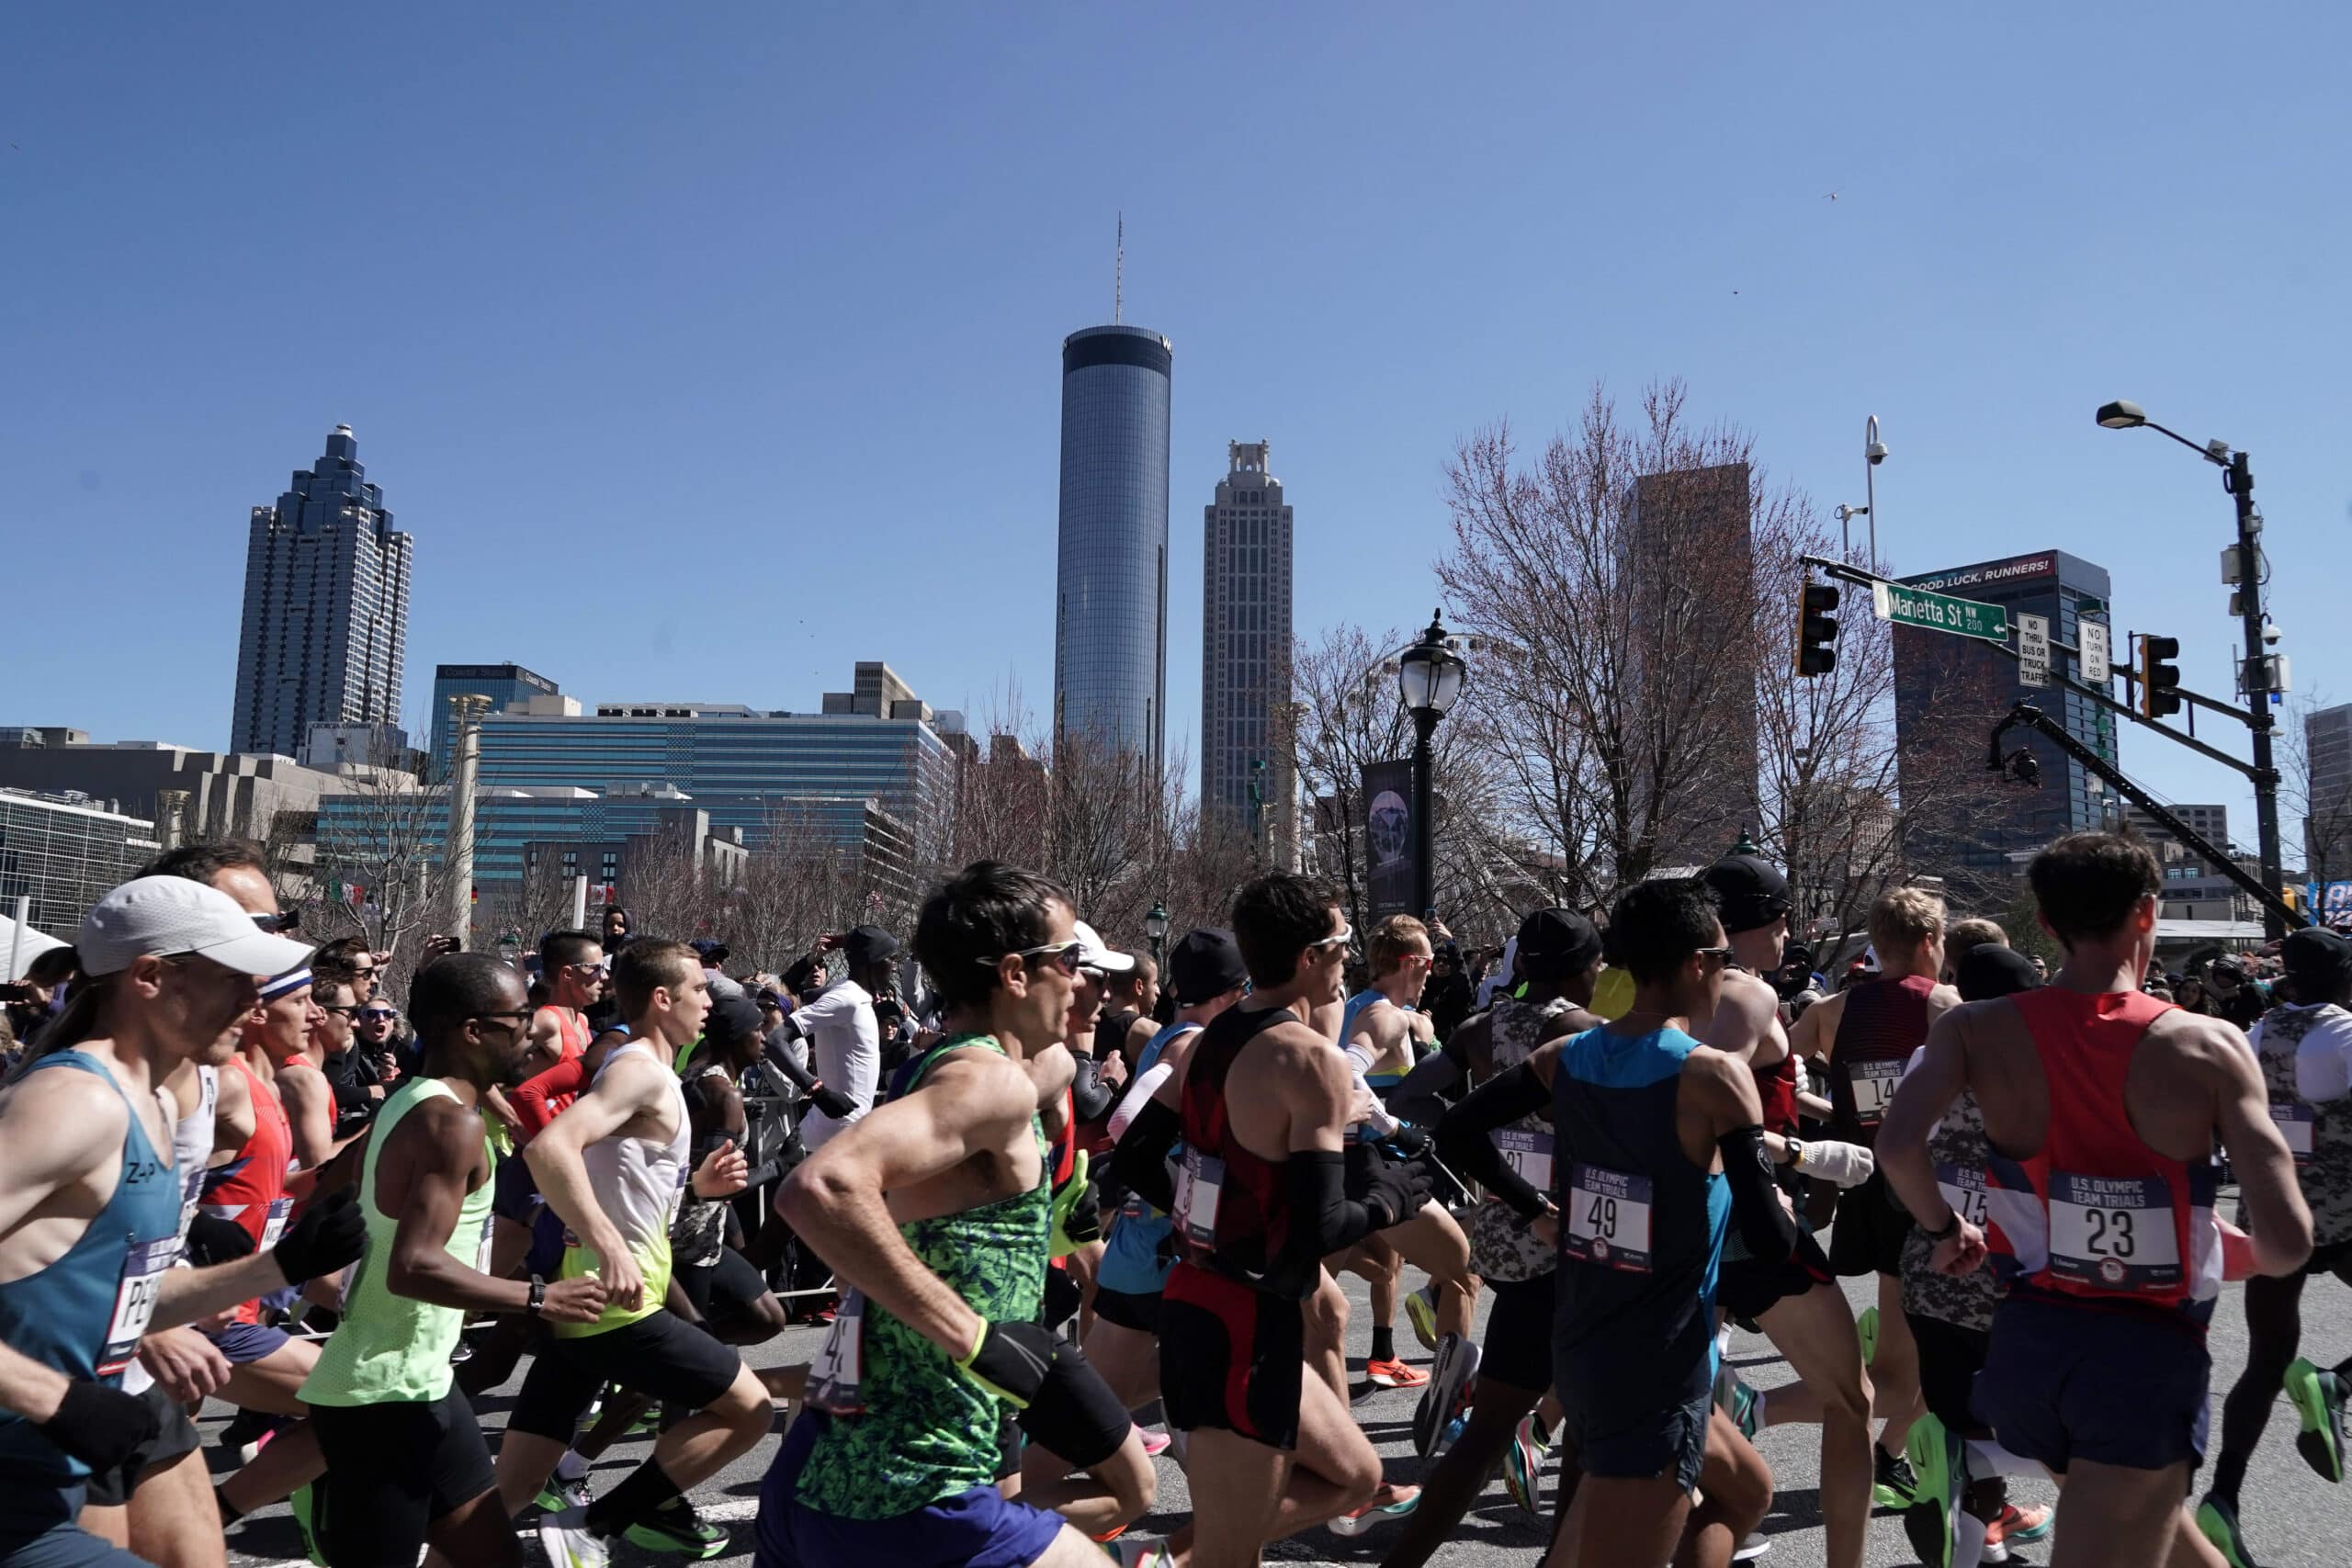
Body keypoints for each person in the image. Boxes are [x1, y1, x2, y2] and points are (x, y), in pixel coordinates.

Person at [1879, 830, 2313, 1568]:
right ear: (2148, 913)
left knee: (2158, 1533)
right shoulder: (2206, 1044)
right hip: (2143, 1354)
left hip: (2026, 1348)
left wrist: (1944, 1226)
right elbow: (2288, 1241)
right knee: (2130, 1524)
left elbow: (1895, 1146)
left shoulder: (1974, 1028)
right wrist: (2208, 1248)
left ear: (2045, 923)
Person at [757, 861, 1148, 1568]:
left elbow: (1037, 1075)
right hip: (906, 1487)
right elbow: (819, 1187)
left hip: (831, 1464)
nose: (1086, 978)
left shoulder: (946, 1065)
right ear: (1015, 974)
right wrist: (973, 1336)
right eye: (1069, 959)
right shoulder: (987, 1081)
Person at [0, 875, 360, 1568]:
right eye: (233, 978)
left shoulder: (156, 1107)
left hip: (59, 1471)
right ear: (150, 977)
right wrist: (55, 1398)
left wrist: (279, 1265)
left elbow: (118, 1292)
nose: (254, 1001)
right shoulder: (76, 1102)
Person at [1438, 876, 1791, 1568]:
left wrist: (1535, 1206)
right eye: (1724, 960)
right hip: (1655, 1362)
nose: (1728, 975)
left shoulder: (1570, 1056)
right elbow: (1771, 1243)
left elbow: (1457, 1130)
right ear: (1695, 963)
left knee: (1747, 1492)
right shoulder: (1714, 1075)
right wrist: (1779, 1181)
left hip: (1589, 1341)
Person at [1117, 873, 1425, 1567]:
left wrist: (1213, 1218)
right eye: (1342, 944)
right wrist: (1396, 1195)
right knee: (1231, 1555)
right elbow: (1319, 1225)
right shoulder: (1308, 1059)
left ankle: (1173, 1554)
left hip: (1210, 1301)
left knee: (1357, 1476)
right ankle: (1174, 1556)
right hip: (1241, 1323)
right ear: (1310, 955)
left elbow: (1136, 1153)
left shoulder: (1202, 1038)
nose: (1349, 957)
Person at [299, 953, 607, 1568]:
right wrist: (539, 1296)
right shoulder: (450, 1123)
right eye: (518, 1016)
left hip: (424, 1381)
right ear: (472, 1030)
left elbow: (326, 1189)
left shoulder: (412, 1101)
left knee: (494, 1559)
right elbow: (411, 1264)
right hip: (381, 1395)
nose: (531, 1029)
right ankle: (318, 1492)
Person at [499, 939, 772, 1567]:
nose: (709, 1001)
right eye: (700, 990)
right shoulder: (639, 1071)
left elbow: (615, 1176)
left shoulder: (651, 1072)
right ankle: (596, 1524)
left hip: (588, 1304)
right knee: (750, 1408)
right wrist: (605, 1243)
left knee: (511, 1488)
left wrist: (694, 1186)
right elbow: (550, 1150)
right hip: (617, 1303)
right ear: (662, 997)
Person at [1383, 907, 1601, 1564]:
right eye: (1596, 965)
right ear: (1584, 969)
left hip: (1502, 1223)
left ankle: (1406, 1558)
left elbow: (1410, 1098)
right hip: (1567, 1227)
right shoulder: (1580, 1032)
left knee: (1490, 1426)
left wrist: (1469, 1131)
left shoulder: (1480, 1027)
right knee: (1586, 1417)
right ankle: (1560, 1553)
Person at [1696, 854, 1878, 1568]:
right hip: (1749, 1219)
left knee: (1676, 1398)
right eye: (1778, 920)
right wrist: (1770, 1155)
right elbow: (1701, 1087)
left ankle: (1709, 1519)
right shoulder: (1747, 994)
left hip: (1678, 1219)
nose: (1787, 935)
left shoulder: (1660, 986)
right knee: (1852, 1398)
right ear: (1748, 926)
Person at [1790, 884, 1960, 1506]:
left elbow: (1773, 1066)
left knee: (1918, 1360)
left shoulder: (1833, 1009)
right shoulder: (1943, 1003)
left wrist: (1829, 1110)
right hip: (1929, 1190)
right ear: (1928, 941)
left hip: (1867, 1182)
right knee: (1908, 1367)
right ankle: (1750, 1408)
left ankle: (1892, 1456)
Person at [1888, 940, 2054, 1568]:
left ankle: (1981, 1541)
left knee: (1959, 1412)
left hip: (1932, 1258)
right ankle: (1978, 1508)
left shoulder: (1929, 1058)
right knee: (2042, 1423)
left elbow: (1901, 1144)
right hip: (2012, 1267)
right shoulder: (2036, 1061)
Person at [2197, 924, 2352, 1564]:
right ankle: (2335, 1384)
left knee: (2264, 1361)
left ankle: (2223, 1498)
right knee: (2282, 1364)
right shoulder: (2344, 1033)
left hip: (2275, 1213)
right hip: (2343, 1212)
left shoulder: (2256, 1033)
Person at [1092, 929, 1252, 1414]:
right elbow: (1124, 1122)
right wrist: (1186, 1198)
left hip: (1136, 1242)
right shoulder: (1194, 1044)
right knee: (1234, 1366)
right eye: (1243, 991)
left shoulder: (1167, 1033)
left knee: (1091, 1408)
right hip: (1162, 1249)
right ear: (1226, 994)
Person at [1339, 914, 1481, 1457]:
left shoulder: (1353, 1005)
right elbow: (1349, 1073)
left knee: (1317, 1300)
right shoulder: (1388, 1017)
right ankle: (1450, 1413)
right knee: (1463, 1273)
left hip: (1346, 1164)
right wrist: (1394, 1126)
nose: (1433, 972)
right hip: (1381, 1169)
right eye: (1428, 962)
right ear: (1405, 964)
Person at [791, 926, 900, 1152]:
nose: (894, 966)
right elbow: (775, 1040)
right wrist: (817, 1091)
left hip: (848, 1141)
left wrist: (846, 941)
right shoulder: (846, 998)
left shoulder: (856, 997)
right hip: (826, 1145)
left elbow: (811, 995)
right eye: (890, 958)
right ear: (872, 961)